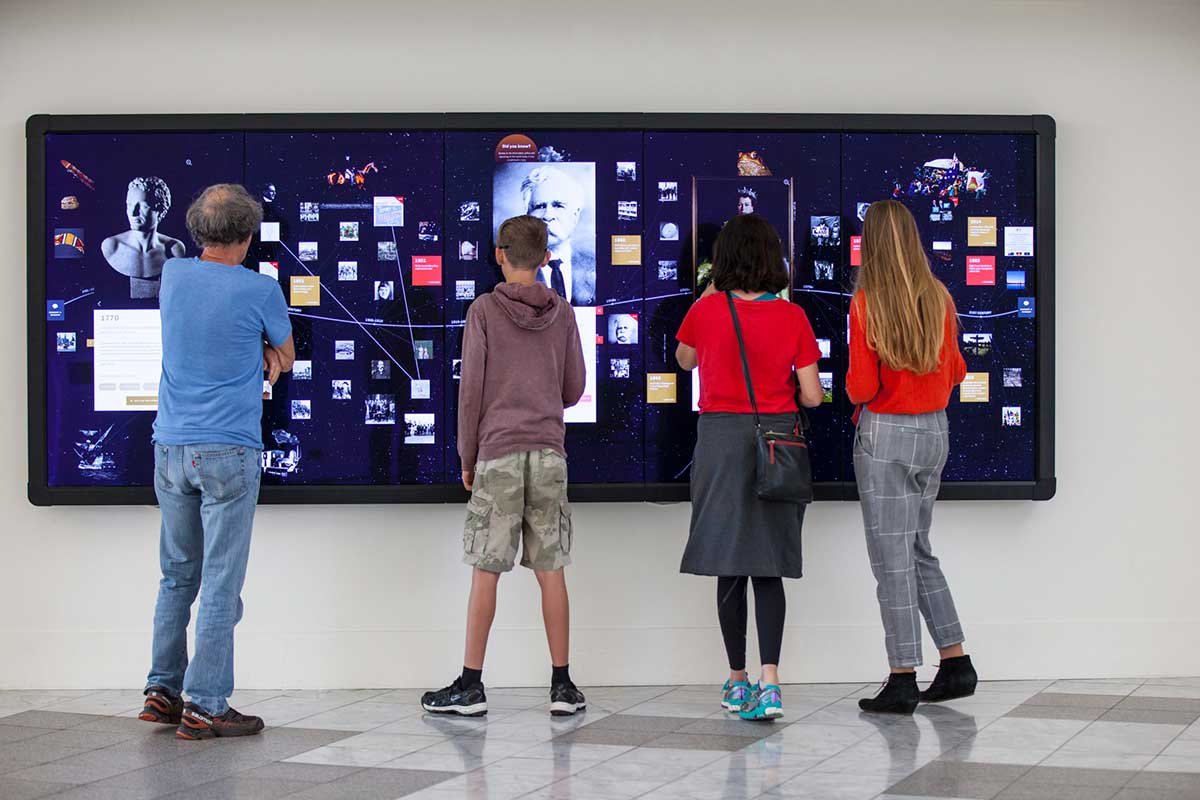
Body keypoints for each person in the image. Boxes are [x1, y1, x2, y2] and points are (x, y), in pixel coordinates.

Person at [140, 184, 295, 739]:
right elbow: (287, 355)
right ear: (249, 236)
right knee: (221, 581)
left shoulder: (174, 277)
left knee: (176, 575)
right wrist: (260, 353)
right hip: (228, 449)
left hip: (170, 447)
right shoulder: (260, 290)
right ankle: (205, 703)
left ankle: (163, 690)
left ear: (196, 231)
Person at [422, 215, 587, 717]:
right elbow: (575, 389)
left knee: (486, 572)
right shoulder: (563, 313)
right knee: (551, 570)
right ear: (545, 258)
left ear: (499, 254)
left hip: (497, 453)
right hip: (550, 452)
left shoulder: (483, 312)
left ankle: (471, 686)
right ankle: (562, 686)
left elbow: (470, 392)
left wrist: (467, 459)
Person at [675, 213, 824, 721]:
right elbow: (813, 395)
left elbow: (684, 360)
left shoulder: (708, 311)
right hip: (777, 442)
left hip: (719, 442)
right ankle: (772, 681)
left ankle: (736, 681)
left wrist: (705, 297)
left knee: (729, 560)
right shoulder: (793, 317)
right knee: (769, 564)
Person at [848, 200, 977, 715]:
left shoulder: (866, 304)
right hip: (935, 432)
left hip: (887, 436)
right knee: (920, 549)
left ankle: (902, 674)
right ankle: (955, 660)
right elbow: (959, 372)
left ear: (872, 244)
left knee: (891, 560)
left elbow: (861, 385)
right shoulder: (940, 297)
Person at [101, 176, 187, 299]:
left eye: (143, 206)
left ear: (160, 209)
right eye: (129, 205)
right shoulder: (111, 247)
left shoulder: (174, 250)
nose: (133, 213)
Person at [521, 166, 596, 306]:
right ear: (527, 216)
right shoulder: (510, 269)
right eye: (539, 206)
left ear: (575, 215)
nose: (548, 216)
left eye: (558, 205)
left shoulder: (595, 267)